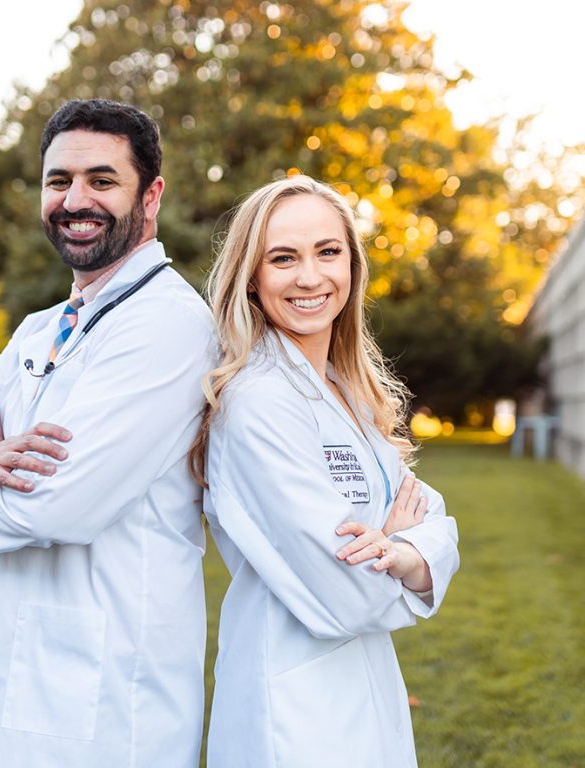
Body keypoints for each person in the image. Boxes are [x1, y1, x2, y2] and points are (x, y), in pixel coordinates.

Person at [0, 99, 217, 768]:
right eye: (58, 181)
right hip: (4, 663)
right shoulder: (40, 329)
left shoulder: (168, 325)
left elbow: (60, 503)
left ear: (150, 195)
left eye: (102, 181)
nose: (76, 199)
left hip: (102, 691)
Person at [189, 175, 459, 767]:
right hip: (292, 703)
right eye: (283, 258)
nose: (310, 278)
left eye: (327, 252)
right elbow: (348, 593)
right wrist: (404, 551)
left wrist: (401, 550)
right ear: (252, 278)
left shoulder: (344, 391)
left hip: (362, 683)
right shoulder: (258, 400)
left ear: (353, 266)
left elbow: (434, 516)